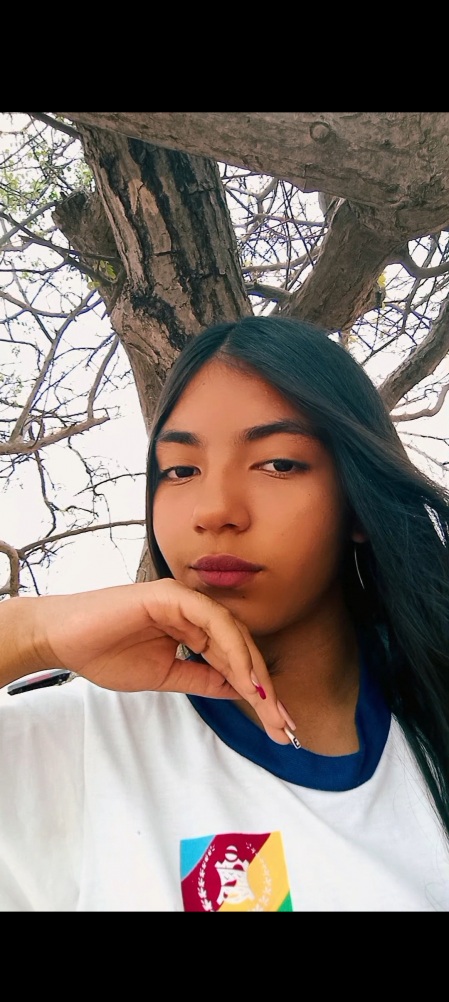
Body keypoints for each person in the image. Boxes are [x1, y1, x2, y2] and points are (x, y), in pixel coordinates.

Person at [1, 315, 449, 912]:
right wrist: (31, 632)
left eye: (278, 464)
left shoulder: (430, 721)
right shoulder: (76, 743)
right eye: (181, 470)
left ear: (359, 503)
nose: (213, 511)